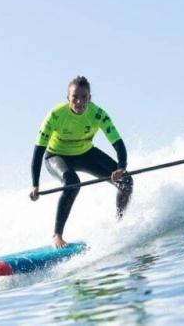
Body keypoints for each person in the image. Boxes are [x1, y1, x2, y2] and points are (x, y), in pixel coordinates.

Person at [29, 76, 133, 248]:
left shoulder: (98, 114)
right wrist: (35, 184)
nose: (79, 101)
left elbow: (119, 144)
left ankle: (120, 223)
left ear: (89, 98)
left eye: (84, 97)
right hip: (56, 156)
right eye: (75, 97)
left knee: (126, 181)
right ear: (68, 98)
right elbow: (39, 151)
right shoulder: (55, 115)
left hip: (85, 153)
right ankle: (57, 236)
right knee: (72, 183)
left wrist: (121, 167)